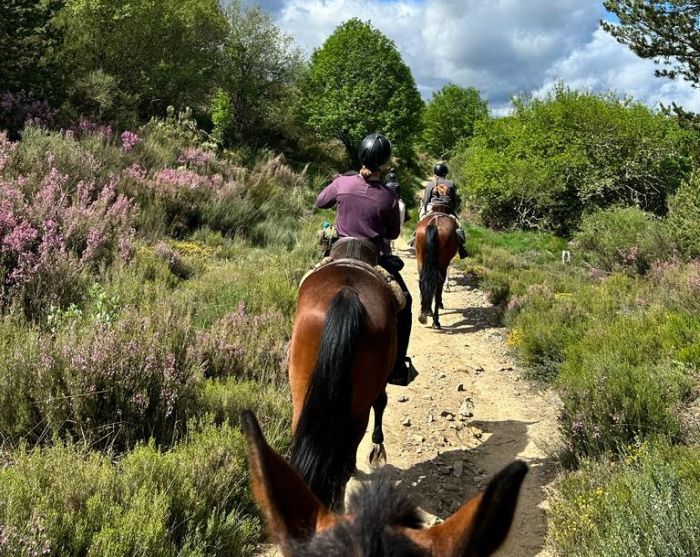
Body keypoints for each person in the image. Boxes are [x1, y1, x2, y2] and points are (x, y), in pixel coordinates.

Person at [315, 133, 413, 385]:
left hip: (338, 252)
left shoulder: (342, 183)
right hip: (373, 258)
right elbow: (392, 233)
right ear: (384, 163)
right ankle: (398, 365)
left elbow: (320, 201)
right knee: (405, 302)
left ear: (361, 157)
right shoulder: (389, 197)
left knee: (308, 284)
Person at [418, 163, 468, 259]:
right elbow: (454, 201)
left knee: (422, 220)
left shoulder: (430, 184)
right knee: (459, 226)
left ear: (435, 173)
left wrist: (424, 209)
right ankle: (461, 248)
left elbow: (426, 200)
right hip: (447, 209)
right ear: (445, 173)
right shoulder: (451, 183)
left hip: (432, 208)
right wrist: (453, 209)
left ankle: (415, 238)